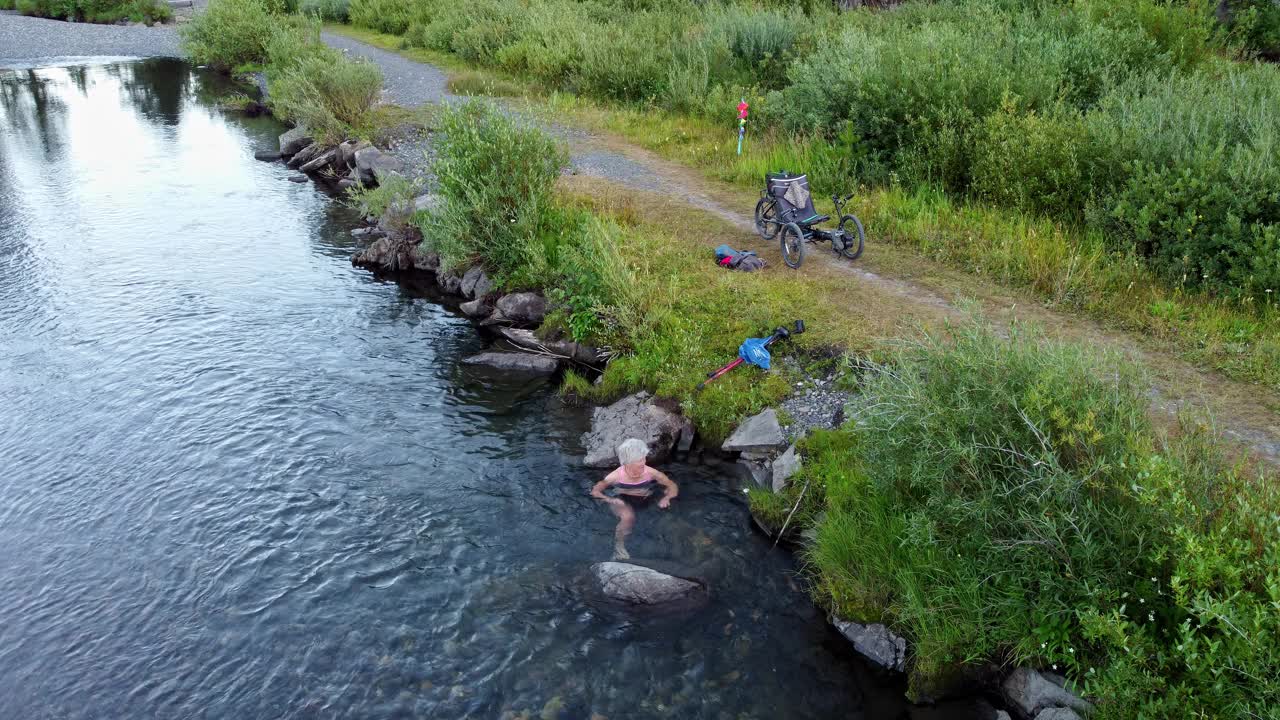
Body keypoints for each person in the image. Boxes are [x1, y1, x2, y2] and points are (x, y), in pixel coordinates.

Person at [590, 438, 679, 560]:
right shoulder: (615, 476)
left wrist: (667, 497)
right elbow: (595, 491)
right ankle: (619, 548)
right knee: (628, 517)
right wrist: (610, 500)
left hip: (646, 498)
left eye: (644, 457)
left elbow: (672, 485)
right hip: (622, 500)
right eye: (640, 459)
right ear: (627, 462)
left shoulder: (651, 473)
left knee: (667, 510)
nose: (644, 462)